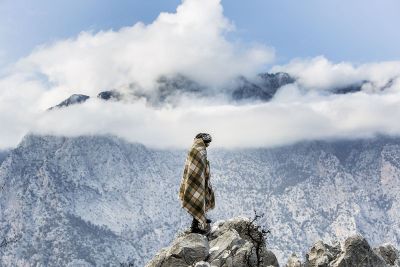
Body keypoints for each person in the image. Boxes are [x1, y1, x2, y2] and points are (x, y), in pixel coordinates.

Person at [179, 133, 215, 234]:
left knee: (200, 199)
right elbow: (197, 166)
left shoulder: (194, 148)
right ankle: (195, 226)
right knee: (198, 199)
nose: (208, 145)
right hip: (197, 180)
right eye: (208, 142)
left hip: (197, 179)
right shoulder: (200, 149)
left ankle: (200, 219)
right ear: (204, 141)